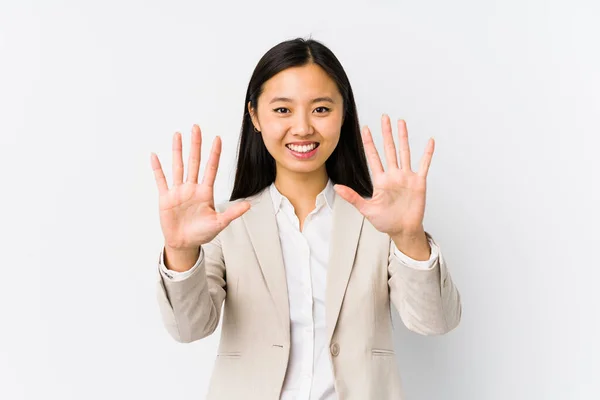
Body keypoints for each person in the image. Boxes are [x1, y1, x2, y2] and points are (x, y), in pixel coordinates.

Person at [150, 37, 462, 400]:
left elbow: (435, 321)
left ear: (343, 113)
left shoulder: (378, 220)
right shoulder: (226, 223)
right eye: (282, 110)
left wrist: (410, 237)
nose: (301, 128)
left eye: (321, 109)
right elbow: (189, 328)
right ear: (255, 116)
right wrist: (181, 251)